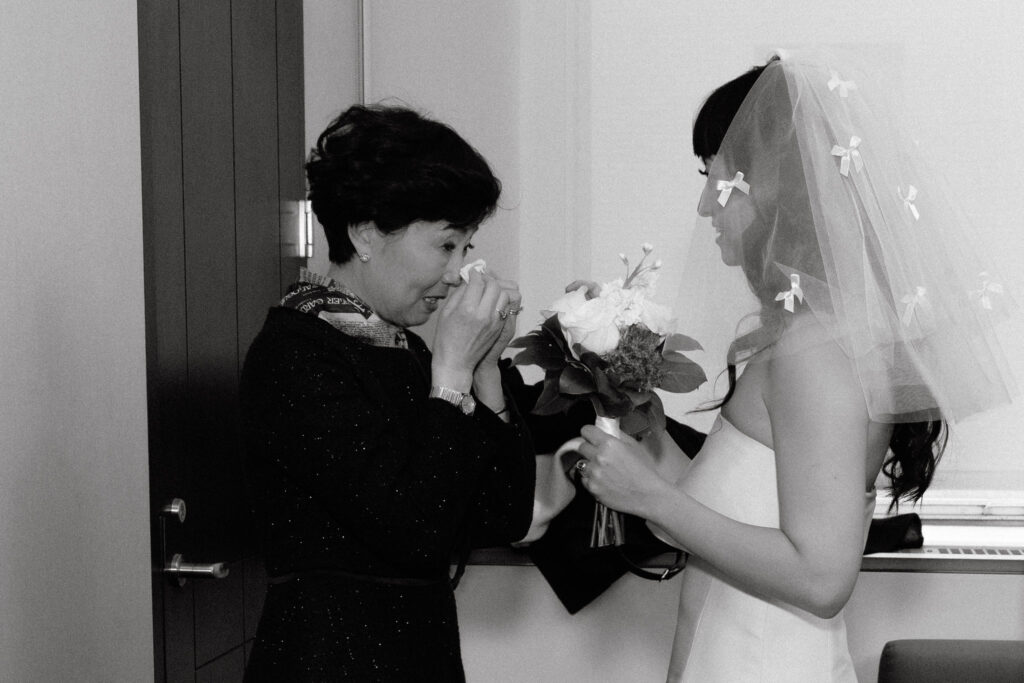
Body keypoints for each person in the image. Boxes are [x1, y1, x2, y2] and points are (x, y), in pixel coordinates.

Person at [570, 50, 1014, 682]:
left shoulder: (820, 352)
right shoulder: (797, 338)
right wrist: (651, 436)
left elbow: (822, 577)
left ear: (770, 182)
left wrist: (653, 499)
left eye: (712, 172)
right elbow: (745, 512)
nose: (703, 205)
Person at [240, 104, 535, 681]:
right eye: (445, 246)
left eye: (466, 249)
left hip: (419, 653)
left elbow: (503, 517)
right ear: (366, 232)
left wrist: (484, 371)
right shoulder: (295, 354)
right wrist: (449, 374)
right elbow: (415, 528)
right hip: (328, 656)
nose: (458, 274)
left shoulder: (405, 348)